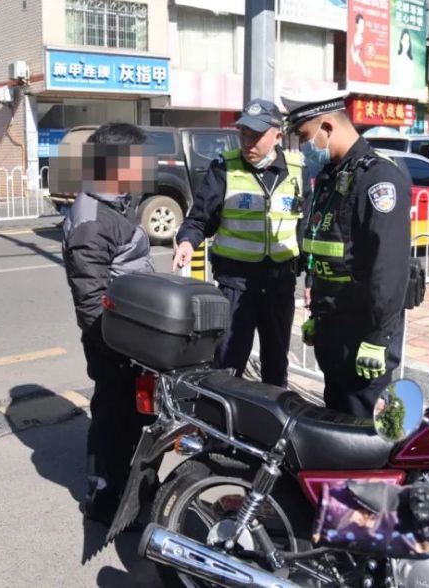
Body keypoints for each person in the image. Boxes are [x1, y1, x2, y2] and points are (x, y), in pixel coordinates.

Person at [282, 91, 411, 418]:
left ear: (327, 126)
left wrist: (379, 337)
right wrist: (318, 317)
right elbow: (323, 246)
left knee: (365, 433)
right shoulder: (331, 177)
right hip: (334, 327)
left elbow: (389, 268)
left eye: (304, 137)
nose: (302, 147)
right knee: (337, 424)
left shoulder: (377, 178)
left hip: (364, 333)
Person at [172, 99, 304, 388]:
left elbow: (302, 226)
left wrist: (311, 277)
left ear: (277, 135)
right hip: (236, 284)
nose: (248, 142)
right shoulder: (224, 167)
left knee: (275, 364)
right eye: (243, 133)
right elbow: (199, 219)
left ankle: (270, 427)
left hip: (280, 285)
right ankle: (222, 425)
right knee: (228, 363)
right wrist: (186, 242)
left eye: (256, 136)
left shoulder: (296, 169)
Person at [61, 122, 155, 526]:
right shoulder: (92, 219)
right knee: (114, 419)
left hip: (132, 337)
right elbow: (90, 298)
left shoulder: (115, 204)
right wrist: (116, 346)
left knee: (132, 420)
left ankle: (131, 494)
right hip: (115, 341)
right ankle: (104, 502)